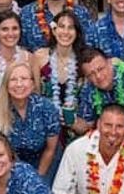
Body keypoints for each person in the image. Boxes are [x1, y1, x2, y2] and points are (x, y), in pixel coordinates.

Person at [0, 61, 61, 181]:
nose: (19, 84)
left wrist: (37, 179)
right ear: (6, 85)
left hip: (44, 163)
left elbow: (50, 150)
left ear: (32, 83)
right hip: (8, 167)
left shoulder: (47, 108)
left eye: (24, 78)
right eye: (13, 80)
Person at [33, 9, 88, 142]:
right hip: (46, 130)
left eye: (71, 28)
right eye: (61, 27)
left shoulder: (84, 59)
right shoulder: (40, 57)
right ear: (53, 30)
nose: (65, 32)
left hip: (77, 131)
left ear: (76, 32)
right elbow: (34, 94)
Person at [76, 47, 124, 126]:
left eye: (100, 69)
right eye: (91, 74)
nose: (98, 76)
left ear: (110, 63)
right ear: (87, 78)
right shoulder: (88, 90)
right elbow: (86, 125)